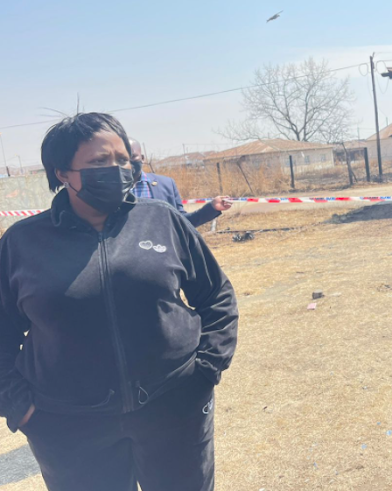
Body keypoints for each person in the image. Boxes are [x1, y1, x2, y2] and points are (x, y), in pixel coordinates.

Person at [0, 113, 239, 491]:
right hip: (68, 425)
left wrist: (205, 371)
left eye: (122, 159)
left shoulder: (163, 221)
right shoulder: (22, 243)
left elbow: (217, 298)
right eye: (98, 162)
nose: (116, 169)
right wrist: (20, 408)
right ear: (62, 172)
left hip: (174, 408)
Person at [129, 139, 232, 228]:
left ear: (142, 158)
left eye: (133, 156)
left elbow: (182, 222)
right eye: (122, 158)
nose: (128, 162)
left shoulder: (166, 185)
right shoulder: (113, 190)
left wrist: (212, 208)